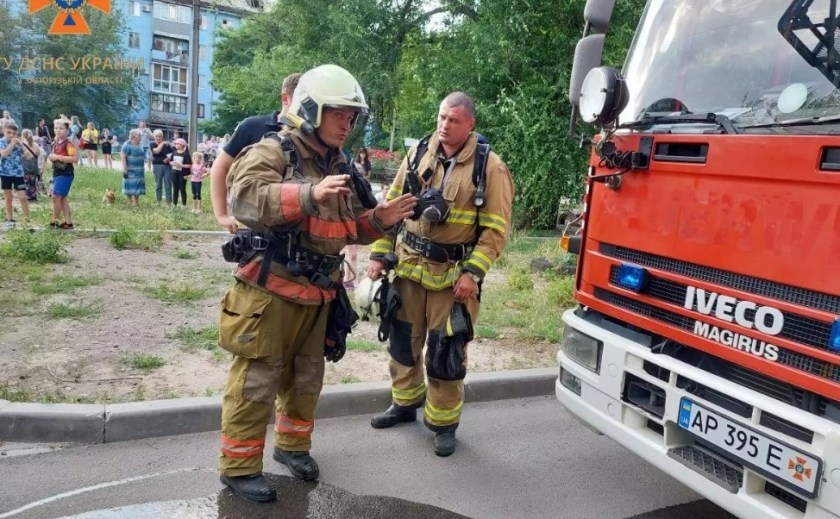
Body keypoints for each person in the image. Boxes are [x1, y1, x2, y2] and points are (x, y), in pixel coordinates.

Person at [217, 64, 417, 504]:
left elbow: (346, 230)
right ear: (310, 110)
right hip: (269, 292)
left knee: (306, 379)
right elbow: (243, 198)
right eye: (338, 114)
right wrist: (308, 193)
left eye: (351, 116)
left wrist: (381, 219)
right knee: (256, 381)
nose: (347, 124)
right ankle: (238, 468)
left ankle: (292, 448)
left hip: (319, 293)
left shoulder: (340, 163)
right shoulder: (275, 150)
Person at [367, 92, 514, 457]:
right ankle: (404, 405)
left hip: (452, 280)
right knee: (402, 343)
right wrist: (379, 254)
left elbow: (495, 231)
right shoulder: (418, 153)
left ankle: (443, 424)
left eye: (454, 120)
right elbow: (391, 208)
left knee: (445, 355)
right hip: (408, 269)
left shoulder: (490, 168)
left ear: (470, 124)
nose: (445, 125)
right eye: (442, 117)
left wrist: (473, 275)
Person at [211, 72, 302, 234]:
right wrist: (222, 215)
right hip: (255, 223)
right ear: (285, 98)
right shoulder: (252, 127)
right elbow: (220, 167)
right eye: (302, 99)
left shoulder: (311, 135)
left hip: (297, 227)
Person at [340, 148, 373, 289]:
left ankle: (348, 279)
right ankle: (351, 280)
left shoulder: (365, 166)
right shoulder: (352, 169)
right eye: (361, 153)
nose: (362, 155)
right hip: (347, 217)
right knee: (351, 253)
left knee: (351, 253)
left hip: (353, 215)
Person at [49, 119, 79, 229]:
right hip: (57, 173)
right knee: (62, 198)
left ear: (67, 130)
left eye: (61, 128)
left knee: (56, 197)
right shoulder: (55, 142)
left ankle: (54, 221)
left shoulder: (68, 144)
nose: (58, 130)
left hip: (65, 174)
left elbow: (75, 159)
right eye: (56, 128)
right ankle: (68, 222)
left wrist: (58, 157)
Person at [0, 122, 31, 228]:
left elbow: (29, 156)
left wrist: (22, 144)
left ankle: (27, 219)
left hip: (18, 173)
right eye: (8, 132)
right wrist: (12, 144)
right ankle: (10, 219)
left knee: (22, 196)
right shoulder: (2, 142)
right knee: (8, 197)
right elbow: (4, 154)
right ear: (3, 131)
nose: (11, 135)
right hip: (5, 173)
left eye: (13, 133)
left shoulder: (18, 143)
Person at [121, 129, 146, 206]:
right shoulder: (127, 144)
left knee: (138, 184)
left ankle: (136, 202)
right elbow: (123, 157)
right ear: (134, 136)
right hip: (130, 169)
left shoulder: (140, 144)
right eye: (139, 135)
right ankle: (129, 201)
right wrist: (124, 169)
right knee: (129, 185)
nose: (141, 137)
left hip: (139, 169)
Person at [150, 130, 173, 204]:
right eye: (156, 136)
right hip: (157, 166)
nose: (158, 138)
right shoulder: (152, 144)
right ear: (154, 137)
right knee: (158, 183)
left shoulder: (167, 145)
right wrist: (163, 143)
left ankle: (169, 201)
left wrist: (169, 158)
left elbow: (173, 153)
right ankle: (158, 200)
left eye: (159, 136)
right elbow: (156, 151)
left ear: (162, 137)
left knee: (168, 184)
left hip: (167, 166)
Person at [19, 129, 42, 202]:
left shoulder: (22, 145)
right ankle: (33, 196)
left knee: (25, 181)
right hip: (34, 166)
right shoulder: (36, 145)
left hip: (24, 166)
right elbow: (38, 154)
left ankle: (27, 196)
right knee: (33, 181)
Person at [169, 138, 191, 207]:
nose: (175, 145)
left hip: (183, 174)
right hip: (174, 172)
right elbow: (170, 161)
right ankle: (174, 203)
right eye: (175, 143)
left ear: (181, 145)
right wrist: (173, 163)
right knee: (175, 188)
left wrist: (181, 165)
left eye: (177, 144)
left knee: (182, 189)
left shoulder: (186, 154)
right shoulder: (174, 152)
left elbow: (189, 165)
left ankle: (184, 204)